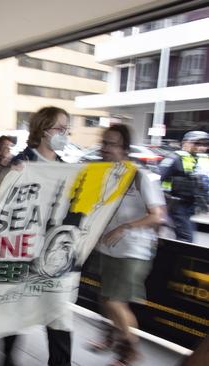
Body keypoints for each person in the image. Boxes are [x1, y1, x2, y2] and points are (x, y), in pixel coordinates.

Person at [90, 124, 166, 366]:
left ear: (124, 148)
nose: (105, 148)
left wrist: (124, 227)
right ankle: (113, 337)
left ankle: (130, 351)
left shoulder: (140, 176)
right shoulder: (104, 175)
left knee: (115, 301)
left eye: (111, 144)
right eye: (104, 143)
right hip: (108, 248)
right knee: (105, 298)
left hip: (133, 251)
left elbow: (157, 216)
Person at [6, 106, 72, 366]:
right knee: (14, 315)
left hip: (53, 256)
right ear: (44, 131)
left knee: (59, 319)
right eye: (60, 128)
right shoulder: (21, 165)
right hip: (23, 253)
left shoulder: (67, 170)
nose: (65, 134)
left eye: (67, 129)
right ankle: (7, 358)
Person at [159, 130, 209, 242]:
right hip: (177, 204)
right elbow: (158, 178)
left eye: (205, 144)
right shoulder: (174, 158)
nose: (202, 147)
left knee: (183, 235)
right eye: (197, 143)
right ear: (185, 143)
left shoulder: (200, 160)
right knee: (186, 238)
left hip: (190, 205)